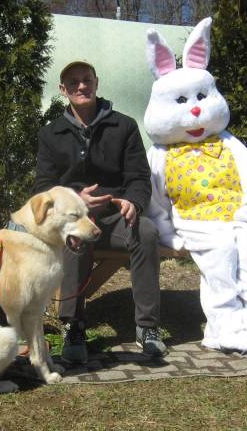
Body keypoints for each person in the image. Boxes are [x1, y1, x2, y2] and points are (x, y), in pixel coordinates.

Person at [32, 60, 167, 363]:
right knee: (73, 238)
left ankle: (147, 328)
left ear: (96, 82)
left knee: (146, 232)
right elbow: (42, 187)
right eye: (74, 82)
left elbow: (138, 178)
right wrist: (74, 200)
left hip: (116, 216)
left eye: (87, 80)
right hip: (73, 219)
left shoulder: (124, 126)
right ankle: (73, 326)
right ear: (63, 90)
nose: (82, 86)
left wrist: (134, 202)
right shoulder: (50, 134)